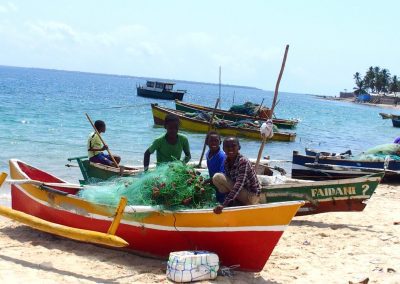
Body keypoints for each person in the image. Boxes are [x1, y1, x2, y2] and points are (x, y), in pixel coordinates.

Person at [212, 136, 261, 214]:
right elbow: (230, 183)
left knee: (218, 176)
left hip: (252, 196)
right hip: (241, 194)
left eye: (233, 146)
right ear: (223, 149)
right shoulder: (226, 162)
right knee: (216, 179)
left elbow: (239, 184)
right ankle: (236, 202)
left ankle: (243, 203)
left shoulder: (243, 161)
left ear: (239, 147)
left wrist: (224, 204)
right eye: (227, 147)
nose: (230, 149)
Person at [204, 131, 226, 203]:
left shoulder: (222, 156)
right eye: (211, 141)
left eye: (216, 141)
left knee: (221, 200)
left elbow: (221, 174)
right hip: (213, 182)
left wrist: (207, 181)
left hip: (221, 184)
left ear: (220, 142)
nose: (213, 143)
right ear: (207, 142)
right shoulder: (208, 153)